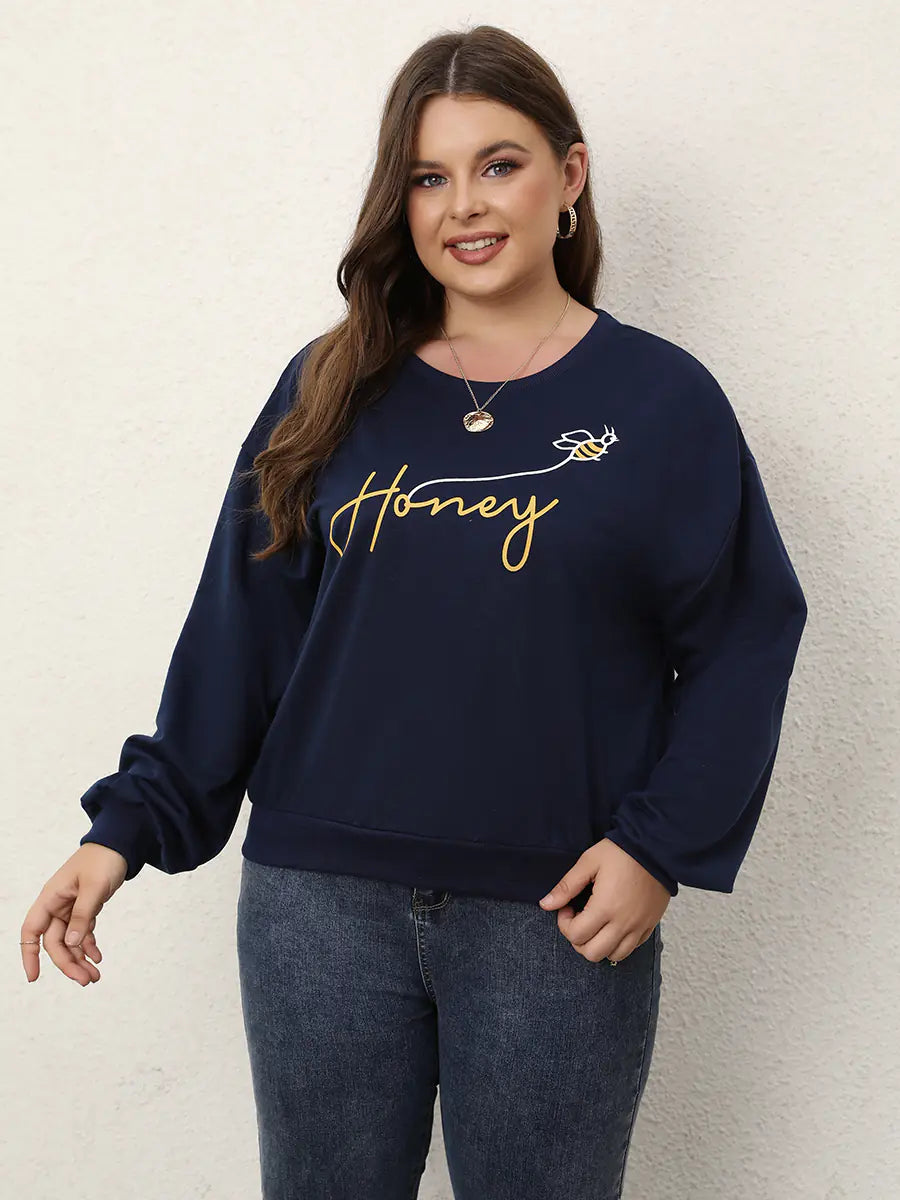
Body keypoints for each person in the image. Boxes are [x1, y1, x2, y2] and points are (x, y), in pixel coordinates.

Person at [20, 24, 809, 1200]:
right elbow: (243, 635)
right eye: (429, 177)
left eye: (500, 165)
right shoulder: (330, 386)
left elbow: (746, 636)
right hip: (317, 914)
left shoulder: (662, 402)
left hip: (555, 919)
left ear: (570, 178)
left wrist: (659, 846)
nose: (464, 205)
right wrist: (123, 829)